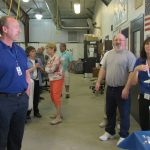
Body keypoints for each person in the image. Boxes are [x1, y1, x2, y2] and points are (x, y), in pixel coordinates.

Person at [95, 33, 136, 145]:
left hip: (122, 88)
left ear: (125, 41)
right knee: (109, 112)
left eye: (120, 40)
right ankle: (110, 132)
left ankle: (124, 135)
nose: (118, 42)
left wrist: (127, 88)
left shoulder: (129, 55)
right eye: (116, 40)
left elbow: (132, 73)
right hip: (110, 88)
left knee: (124, 113)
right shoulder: (108, 54)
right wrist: (98, 81)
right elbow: (103, 69)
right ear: (113, 41)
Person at [0, 16, 29, 150]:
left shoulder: (20, 50)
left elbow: (25, 71)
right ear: (5, 29)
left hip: (21, 100)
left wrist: (27, 90)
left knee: (16, 138)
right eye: (16, 27)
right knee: (1, 139)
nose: (19, 30)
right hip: (4, 101)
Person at [130, 37, 150, 130]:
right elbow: (134, 82)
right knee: (144, 123)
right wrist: (137, 69)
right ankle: (146, 142)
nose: (149, 46)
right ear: (144, 46)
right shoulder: (139, 61)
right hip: (144, 97)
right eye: (147, 43)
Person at [45, 43, 64, 125]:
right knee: (52, 96)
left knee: (56, 96)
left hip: (57, 78)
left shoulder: (57, 57)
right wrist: (47, 68)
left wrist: (47, 69)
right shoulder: (50, 58)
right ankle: (58, 113)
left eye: (48, 49)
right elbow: (47, 68)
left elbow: (51, 69)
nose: (47, 50)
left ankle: (58, 117)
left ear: (52, 49)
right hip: (52, 79)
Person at [26, 46, 43, 118]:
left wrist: (40, 67)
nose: (34, 52)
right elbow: (27, 71)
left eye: (34, 51)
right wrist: (35, 67)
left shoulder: (38, 60)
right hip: (30, 81)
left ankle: (36, 111)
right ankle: (28, 113)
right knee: (29, 97)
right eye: (32, 51)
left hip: (37, 80)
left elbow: (43, 70)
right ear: (28, 53)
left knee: (36, 97)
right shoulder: (26, 60)